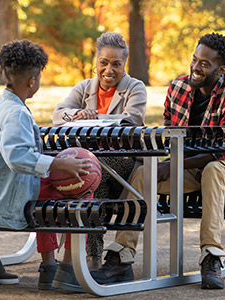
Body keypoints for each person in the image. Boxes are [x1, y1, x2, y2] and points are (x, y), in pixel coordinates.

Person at [90, 33, 225, 290]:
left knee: (212, 170)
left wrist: (171, 166)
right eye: (195, 59)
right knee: (143, 174)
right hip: (186, 166)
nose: (196, 67)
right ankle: (121, 256)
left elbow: (224, 150)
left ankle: (211, 257)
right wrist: (159, 162)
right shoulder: (178, 87)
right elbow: (169, 137)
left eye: (204, 64)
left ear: (221, 69)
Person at [0, 39, 93, 291]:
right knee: (83, 186)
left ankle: (49, 266)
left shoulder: (2, 103)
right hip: (4, 193)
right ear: (32, 81)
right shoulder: (16, 112)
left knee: (71, 181)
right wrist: (60, 163)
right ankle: (68, 269)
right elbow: (17, 157)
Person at [51, 32, 147, 271]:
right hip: (95, 166)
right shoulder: (84, 87)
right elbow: (57, 114)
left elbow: (131, 120)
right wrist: (77, 115)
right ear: (96, 61)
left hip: (126, 166)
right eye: (103, 62)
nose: (109, 70)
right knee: (91, 176)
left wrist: (94, 118)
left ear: (124, 64)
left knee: (91, 169)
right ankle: (91, 257)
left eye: (116, 64)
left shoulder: (135, 87)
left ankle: (86, 257)